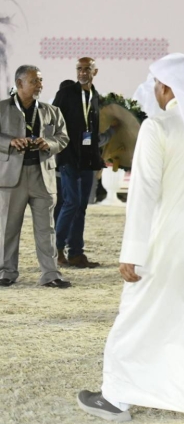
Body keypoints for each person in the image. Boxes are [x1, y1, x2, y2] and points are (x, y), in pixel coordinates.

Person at [76, 53, 184, 424]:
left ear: (167, 86)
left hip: (168, 239)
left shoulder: (159, 126)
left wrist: (132, 252)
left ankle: (115, 397)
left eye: (156, 82)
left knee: (137, 313)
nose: (154, 89)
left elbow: (144, 194)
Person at [0, 65, 71, 288]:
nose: (40, 85)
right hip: (12, 178)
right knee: (8, 228)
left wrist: (48, 143)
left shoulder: (53, 111)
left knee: (46, 229)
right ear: (20, 83)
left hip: (43, 177)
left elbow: (62, 138)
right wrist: (9, 142)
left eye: (40, 81)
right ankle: (6, 272)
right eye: (34, 81)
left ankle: (51, 274)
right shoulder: (2, 109)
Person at [52, 57, 108, 269]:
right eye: (80, 69)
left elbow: (92, 131)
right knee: (71, 203)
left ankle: (76, 253)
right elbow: (51, 120)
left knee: (82, 206)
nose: (83, 72)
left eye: (87, 69)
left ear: (95, 72)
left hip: (88, 159)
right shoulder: (66, 93)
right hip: (68, 157)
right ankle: (55, 248)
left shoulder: (95, 96)